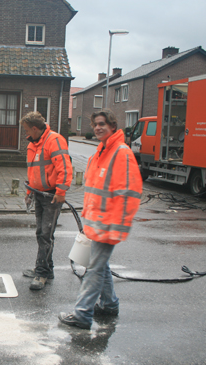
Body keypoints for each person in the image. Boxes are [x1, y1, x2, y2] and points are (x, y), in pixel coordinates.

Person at [59, 109, 142, 329]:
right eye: (96, 124)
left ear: (113, 126)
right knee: (100, 265)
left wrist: (118, 223)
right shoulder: (102, 151)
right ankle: (109, 304)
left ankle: (82, 314)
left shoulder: (121, 152)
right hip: (97, 221)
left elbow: (130, 192)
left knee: (93, 268)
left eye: (103, 124)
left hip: (108, 224)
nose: (98, 128)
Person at [21, 112, 73, 290]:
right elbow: (32, 172)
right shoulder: (33, 144)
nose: (26, 133)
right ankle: (47, 269)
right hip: (39, 194)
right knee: (41, 233)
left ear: (35, 128)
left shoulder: (54, 140)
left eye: (27, 130)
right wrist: (29, 192)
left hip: (51, 196)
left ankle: (41, 272)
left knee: (45, 234)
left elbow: (64, 168)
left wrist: (60, 191)